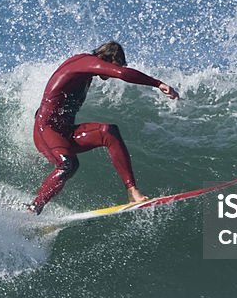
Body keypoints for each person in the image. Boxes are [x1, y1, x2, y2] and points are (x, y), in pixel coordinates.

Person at [28, 41, 179, 215]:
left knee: (109, 132)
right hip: (47, 130)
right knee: (68, 165)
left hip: (65, 132)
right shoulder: (85, 62)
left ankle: (132, 192)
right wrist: (158, 84)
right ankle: (34, 208)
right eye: (118, 62)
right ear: (109, 58)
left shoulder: (86, 72)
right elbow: (121, 73)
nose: (119, 68)